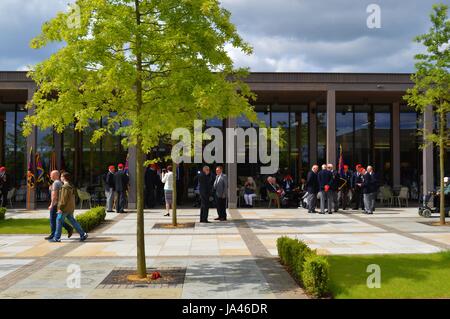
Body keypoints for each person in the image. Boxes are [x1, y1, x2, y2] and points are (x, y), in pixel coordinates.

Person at [51, 172, 88, 243]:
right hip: (70, 207)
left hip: (64, 208)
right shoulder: (71, 186)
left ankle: (57, 237)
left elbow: (63, 199)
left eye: (61, 176)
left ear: (64, 178)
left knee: (58, 220)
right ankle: (83, 234)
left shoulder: (65, 187)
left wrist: (60, 208)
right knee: (73, 221)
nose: (60, 178)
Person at [45, 170, 73, 240]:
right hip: (58, 204)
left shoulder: (55, 183)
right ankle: (68, 228)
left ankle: (53, 235)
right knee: (58, 219)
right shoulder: (58, 183)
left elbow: (54, 196)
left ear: (55, 175)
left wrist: (52, 204)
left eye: (51, 174)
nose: (50, 176)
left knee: (53, 220)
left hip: (55, 204)